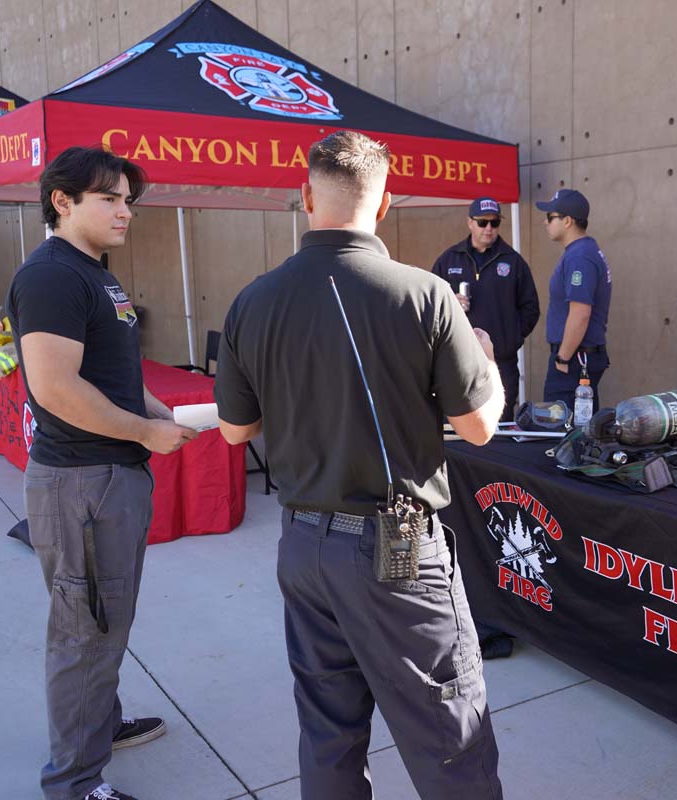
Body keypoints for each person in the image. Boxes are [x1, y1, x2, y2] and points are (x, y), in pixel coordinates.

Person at [213, 130, 505, 800]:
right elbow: (480, 427)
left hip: (304, 545)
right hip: (396, 551)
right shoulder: (425, 295)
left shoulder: (253, 300)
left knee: (328, 734)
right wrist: (484, 359)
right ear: (384, 205)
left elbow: (235, 431)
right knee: (449, 740)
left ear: (306, 196)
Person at [7, 146, 197, 800]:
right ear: (62, 200)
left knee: (105, 622)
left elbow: (106, 372)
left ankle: (100, 725)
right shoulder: (53, 275)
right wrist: (145, 431)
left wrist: (152, 409)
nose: (125, 211)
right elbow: (56, 388)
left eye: (128, 200)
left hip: (110, 478)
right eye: (109, 198)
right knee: (85, 632)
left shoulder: (95, 273)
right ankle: (75, 783)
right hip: (84, 483)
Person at [431, 197, 539, 420]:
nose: (489, 228)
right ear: (470, 222)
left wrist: (510, 338)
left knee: (500, 427)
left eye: (494, 223)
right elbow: (430, 306)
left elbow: (530, 309)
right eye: (482, 222)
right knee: (457, 427)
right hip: (457, 362)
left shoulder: (513, 261)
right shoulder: (449, 259)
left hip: (500, 363)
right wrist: (451, 302)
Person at [536, 188, 612, 412]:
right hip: (579, 359)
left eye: (550, 217)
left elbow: (580, 314)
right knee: (581, 433)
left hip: (574, 361)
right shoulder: (582, 252)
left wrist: (562, 358)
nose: (545, 222)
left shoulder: (580, 256)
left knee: (560, 432)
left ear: (567, 221)